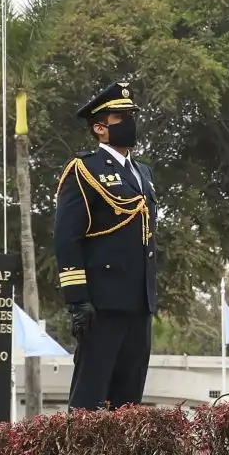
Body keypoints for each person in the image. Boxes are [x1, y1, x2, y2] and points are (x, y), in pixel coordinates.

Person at [54, 81, 158, 410]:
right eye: (120, 118)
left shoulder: (143, 173)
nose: (130, 123)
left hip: (139, 302)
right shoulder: (85, 169)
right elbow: (67, 239)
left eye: (132, 116)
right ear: (100, 127)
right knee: (89, 402)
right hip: (102, 304)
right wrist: (77, 300)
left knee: (128, 405)